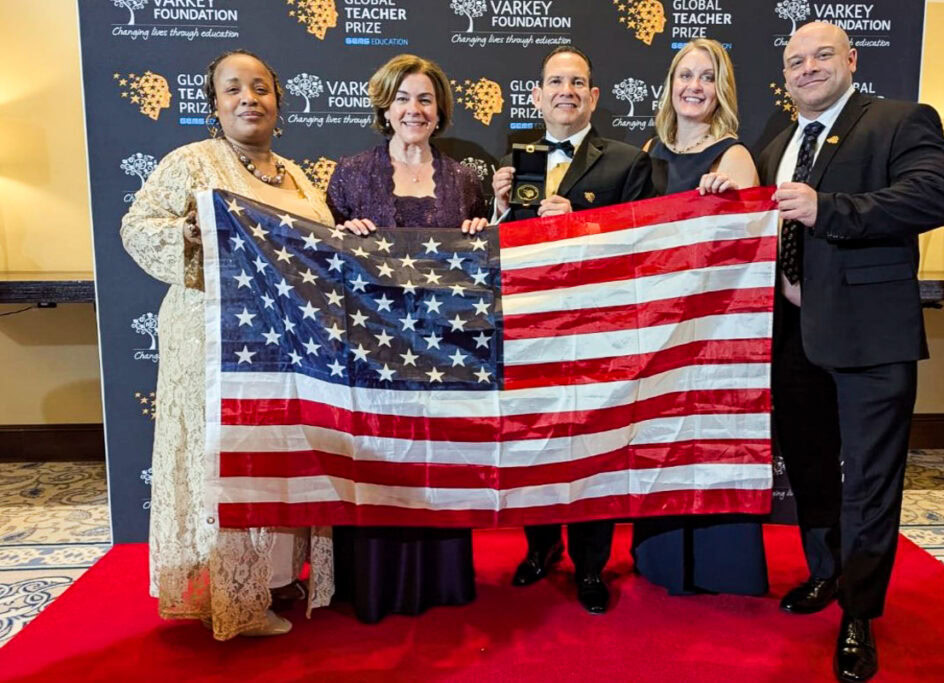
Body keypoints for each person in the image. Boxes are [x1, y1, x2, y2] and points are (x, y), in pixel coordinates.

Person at [704, 22, 944, 681]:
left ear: (851, 59)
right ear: (784, 76)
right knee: (813, 470)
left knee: (870, 480)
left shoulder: (900, 120)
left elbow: (936, 196)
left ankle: (860, 613)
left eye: (822, 56)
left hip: (871, 334)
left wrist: (830, 209)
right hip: (790, 332)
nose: (807, 68)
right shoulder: (779, 140)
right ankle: (826, 574)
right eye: (795, 61)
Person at [120, 50, 335, 640]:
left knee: (277, 459)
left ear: (278, 102)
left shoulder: (299, 177)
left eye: (261, 88)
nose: (249, 98)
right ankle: (232, 594)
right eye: (233, 88)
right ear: (215, 104)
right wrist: (187, 234)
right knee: (230, 463)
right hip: (215, 346)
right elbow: (137, 229)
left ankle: (275, 575)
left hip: (286, 350)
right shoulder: (191, 163)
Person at [491, 45, 654, 614]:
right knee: (534, 442)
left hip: (597, 331)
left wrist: (580, 224)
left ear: (594, 96)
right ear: (536, 95)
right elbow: (503, 250)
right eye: (554, 81)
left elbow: (643, 248)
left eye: (577, 81)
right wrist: (500, 207)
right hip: (533, 329)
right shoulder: (516, 158)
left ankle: (590, 567)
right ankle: (540, 551)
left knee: (593, 449)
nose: (566, 90)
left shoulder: (629, 160)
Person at [325, 54, 487, 624]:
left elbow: (484, 261)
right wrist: (342, 235)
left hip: (443, 345)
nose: (413, 110)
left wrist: (478, 232)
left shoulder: (467, 177)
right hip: (372, 347)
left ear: (439, 109)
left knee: (437, 458)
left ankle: (443, 581)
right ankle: (373, 585)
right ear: (384, 107)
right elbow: (321, 259)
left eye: (424, 99)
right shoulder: (348, 173)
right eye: (401, 99)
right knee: (379, 458)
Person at [630, 38, 768, 599]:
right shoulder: (649, 149)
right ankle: (662, 561)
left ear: (721, 89)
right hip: (658, 328)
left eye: (707, 78)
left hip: (711, 335)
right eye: (685, 75)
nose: (694, 86)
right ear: (670, 85)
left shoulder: (732, 156)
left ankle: (719, 567)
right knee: (663, 438)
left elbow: (757, 247)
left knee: (708, 442)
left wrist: (729, 200)